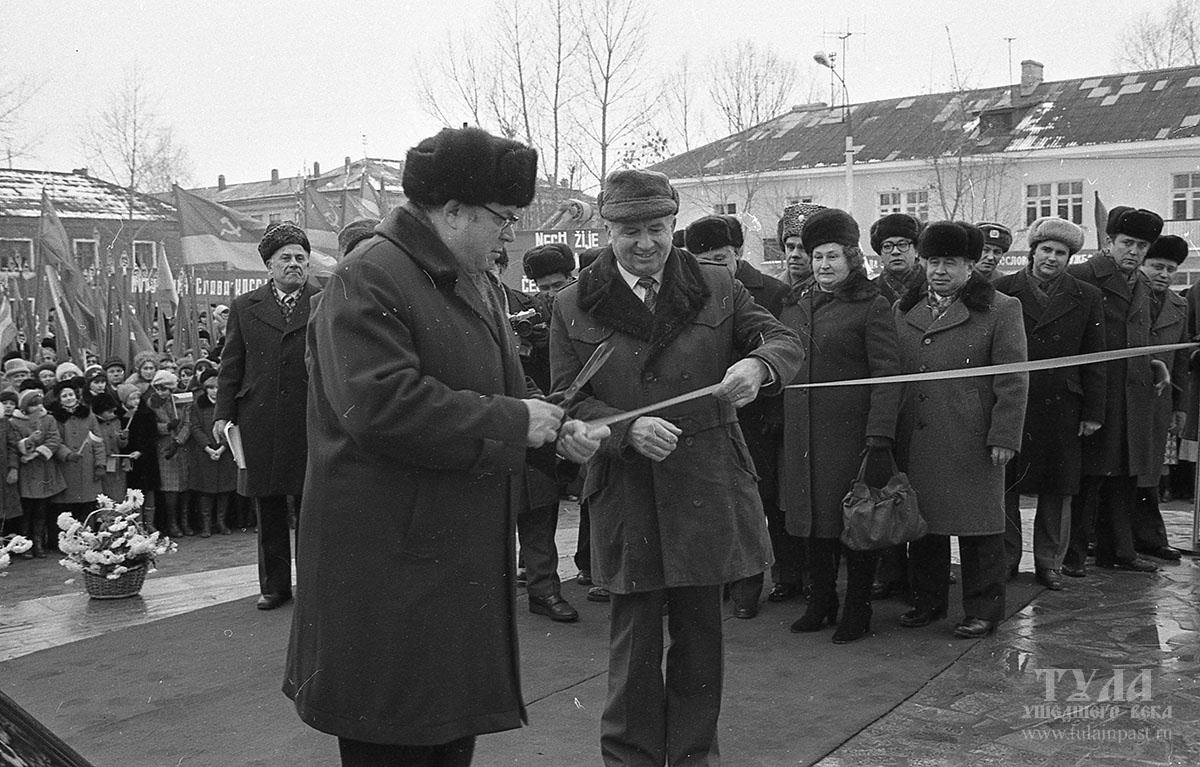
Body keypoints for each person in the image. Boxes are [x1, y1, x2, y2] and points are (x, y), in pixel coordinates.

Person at [283, 126, 605, 767]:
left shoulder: (473, 278)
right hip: (389, 565)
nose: (511, 236)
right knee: (395, 738)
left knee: (446, 736)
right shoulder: (367, 277)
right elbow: (380, 408)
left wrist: (551, 431)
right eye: (504, 219)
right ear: (451, 210)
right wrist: (516, 421)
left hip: (447, 556)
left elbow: (504, 387)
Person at [551, 168, 803, 766]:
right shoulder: (573, 302)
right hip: (626, 491)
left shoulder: (719, 285)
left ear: (674, 226)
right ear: (607, 230)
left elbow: (784, 339)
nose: (645, 244)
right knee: (633, 646)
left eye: (657, 229)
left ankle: (695, 759)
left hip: (706, 484)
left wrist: (759, 366)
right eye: (630, 231)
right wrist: (625, 429)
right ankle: (630, 760)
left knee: (700, 642)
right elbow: (567, 398)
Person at [894, 221, 1028, 639]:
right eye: (933, 261)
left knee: (981, 527)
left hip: (972, 438)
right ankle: (928, 601)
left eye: (950, 263)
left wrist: (1004, 435)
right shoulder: (904, 308)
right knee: (926, 525)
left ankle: (984, 610)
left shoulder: (1002, 309)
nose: (939, 271)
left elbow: (1013, 378)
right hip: (919, 436)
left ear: (970, 266)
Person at [779, 208, 902, 643]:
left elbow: (889, 375)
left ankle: (858, 607)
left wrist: (880, 435)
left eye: (831, 256)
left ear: (851, 258)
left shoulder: (872, 305)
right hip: (803, 435)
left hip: (851, 437)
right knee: (814, 523)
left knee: (854, 524)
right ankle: (822, 600)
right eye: (816, 257)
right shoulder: (796, 303)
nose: (823, 265)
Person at [686, 213, 795, 618]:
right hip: (709, 416)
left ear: (739, 253)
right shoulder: (687, 289)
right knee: (715, 503)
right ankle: (719, 580)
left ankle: (754, 585)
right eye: (702, 261)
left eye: (720, 258)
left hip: (759, 416)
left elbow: (785, 351)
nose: (712, 269)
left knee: (757, 504)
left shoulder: (773, 292)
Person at [994, 218, 1105, 590]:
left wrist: (1092, 412)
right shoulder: (1003, 290)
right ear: (1033, 251)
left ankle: (1049, 562)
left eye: (1061, 253)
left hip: (1063, 406)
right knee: (1007, 483)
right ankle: (1005, 558)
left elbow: (1095, 356)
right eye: (1046, 250)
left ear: (1069, 257)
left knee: (1058, 488)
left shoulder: (1086, 295)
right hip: (1013, 402)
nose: (1052, 258)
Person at [214, 222, 320, 610]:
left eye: (300, 258)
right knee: (269, 505)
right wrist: (222, 415)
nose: (294, 265)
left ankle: (312, 583)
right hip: (260, 418)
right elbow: (231, 364)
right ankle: (275, 586)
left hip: (311, 417)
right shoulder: (245, 307)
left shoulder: (325, 300)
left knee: (312, 506)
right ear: (269, 266)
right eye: (286, 259)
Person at [1064, 207, 1165, 576]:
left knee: (1124, 476)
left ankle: (1118, 551)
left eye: (1142, 246)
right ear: (1109, 242)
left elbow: (1136, 337)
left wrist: (1154, 362)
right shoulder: (1082, 276)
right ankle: (1072, 555)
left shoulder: (1141, 282)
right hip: (1096, 395)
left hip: (1132, 395)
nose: (1134, 251)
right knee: (1088, 479)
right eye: (1127, 243)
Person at [497, 247, 579, 623]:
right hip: (484, 421)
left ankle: (544, 588)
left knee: (539, 503)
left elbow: (547, 364)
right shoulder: (447, 303)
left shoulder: (532, 306)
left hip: (531, 413)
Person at [1131, 234, 1190, 561]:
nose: (1164, 274)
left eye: (1170, 269)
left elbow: (1180, 362)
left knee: (1151, 471)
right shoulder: (1127, 298)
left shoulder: (1179, 306)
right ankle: (1108, 536)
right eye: (1157, 266)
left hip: (1158, 401)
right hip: (1125, 395)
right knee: (1120, 470)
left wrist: (1180, 406)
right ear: (1142, 265)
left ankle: (1150, 537)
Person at [13, 389, 65, 558]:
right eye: (33, 405)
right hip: (26, 472)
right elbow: (13, 444)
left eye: (38, 404)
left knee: (41, 509)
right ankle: (25, 545)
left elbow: (54, 440)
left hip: (43, 468)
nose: (37, 408)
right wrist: (29, 442)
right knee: (26, 510)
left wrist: (36, 453)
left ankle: (38, 543)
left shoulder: (48, 419)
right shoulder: (15, 422)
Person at [189, 369, 236, 537]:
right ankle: (206, 524)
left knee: (224, 490)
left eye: (217, 388)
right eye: (210, 388)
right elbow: (195, 428)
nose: (214, 392)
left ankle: (221, 522)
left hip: (224, 451)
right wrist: (208, 448)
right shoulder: (197, 406)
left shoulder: (227, 405)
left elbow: (231, 427)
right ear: (205, 389)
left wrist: (222, 447)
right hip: (205, 453)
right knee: (206, 491)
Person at [871, 213, 925, 304]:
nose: (895, 252)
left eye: (902, 245)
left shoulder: (933, 286)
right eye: (887, 246)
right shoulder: (869, 291)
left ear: (916, 250)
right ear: (880, 254)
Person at [776, 203, 823, 289]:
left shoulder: (829, 291)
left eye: (803, 248)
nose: (795, 254)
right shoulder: (771, 288)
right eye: (790, 247)